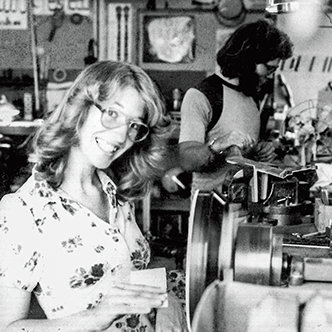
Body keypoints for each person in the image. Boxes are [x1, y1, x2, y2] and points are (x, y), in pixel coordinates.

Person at [0, 61, 187, 331]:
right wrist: (94, 317)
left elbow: (126, 273)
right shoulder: (24, 211)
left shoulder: (115, 191)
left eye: (134, 125)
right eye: (112, 113)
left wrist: (168, 301)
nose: (123, 134)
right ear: (80, 108)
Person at [178, 19, 294, 195]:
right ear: (247, 60)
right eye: (268, 69)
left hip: (247, 205)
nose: (270, 76)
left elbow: (240, 155)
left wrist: (259, 150)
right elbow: (187, 160)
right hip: (212, 209)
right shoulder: (203, 95)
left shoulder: (252, 96)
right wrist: (220, 144)